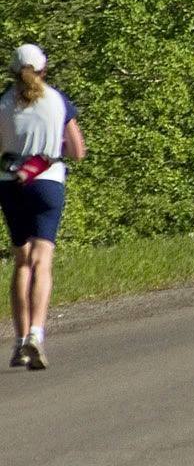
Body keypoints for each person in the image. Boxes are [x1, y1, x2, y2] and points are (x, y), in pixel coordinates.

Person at [2, 45, 85, 370]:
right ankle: (37, 332)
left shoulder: (3, 103)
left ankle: (20, 341)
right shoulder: (58, 101)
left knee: (21, 261)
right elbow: (77, 151)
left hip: (9, 184)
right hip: (47, 182)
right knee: (42, 260)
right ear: (43, 71)